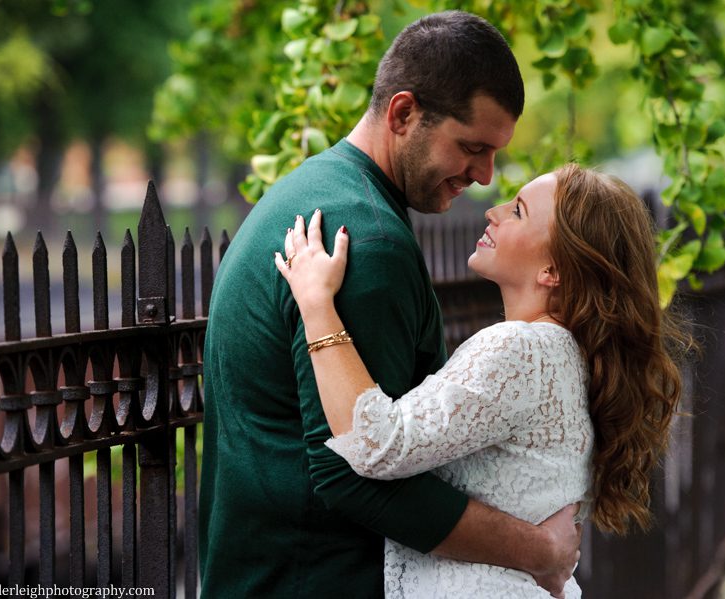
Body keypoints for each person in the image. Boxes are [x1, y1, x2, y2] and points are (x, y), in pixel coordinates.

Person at [199, 10, 582, 599]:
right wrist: (542, 551)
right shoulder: (367, 245)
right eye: (472, 148)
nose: (484, 177)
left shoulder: (318, 189)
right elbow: (355, 468)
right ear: (404, 113)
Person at [274, 163, 686, 597]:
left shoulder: (521, 349)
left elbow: (378, 443)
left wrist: (317, 303)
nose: (494, 212)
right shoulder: (571, 355)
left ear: (553, 270)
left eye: (519, 211)